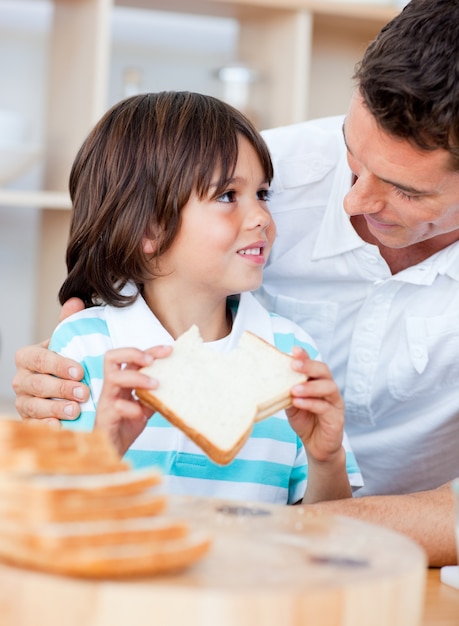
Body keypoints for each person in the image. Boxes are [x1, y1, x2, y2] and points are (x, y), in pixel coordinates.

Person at [12, 0, 459, 565]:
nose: (352, 200)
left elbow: (322, 513)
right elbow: (48, 516)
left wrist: (323, 464)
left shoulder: (290, 352)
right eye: (352, 156)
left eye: (407, 191)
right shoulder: (256, 157)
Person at [36, 90, 361, 506]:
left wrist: (326, 458)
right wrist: (104, 452)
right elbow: (57, 519)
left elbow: (326, 529)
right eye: (227, 196)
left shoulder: (293, 353)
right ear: (147, 230)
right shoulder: (85, 347)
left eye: (262, 194)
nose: (261, 216)